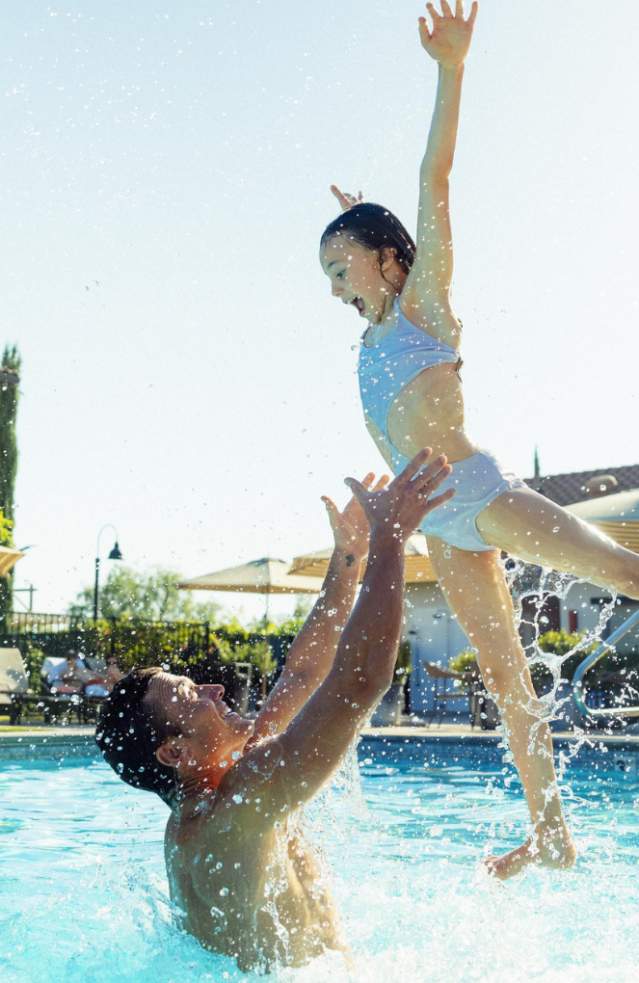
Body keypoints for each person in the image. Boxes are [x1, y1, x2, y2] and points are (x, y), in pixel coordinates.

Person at [319, 0, 639, 879]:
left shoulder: (424, 306)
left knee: (623, 571)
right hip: (438, 525)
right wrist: (358, 219)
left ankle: (551, 830)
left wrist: (449, 71)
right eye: (326, 276)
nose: (333, 286)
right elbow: (378, 239)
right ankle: (551, 832)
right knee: (507, 683)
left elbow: (436, 180)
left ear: (389, 259)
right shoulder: (372, 332)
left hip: (478, 494)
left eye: (340, 266)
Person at [96, 451, 453, 972]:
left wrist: (349, 557)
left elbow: (303, 676)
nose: (216, 690)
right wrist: (391, 542)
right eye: (196, 698)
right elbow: (357, 685)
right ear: (176, 751)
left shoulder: (210, 803)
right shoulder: (240, 802)